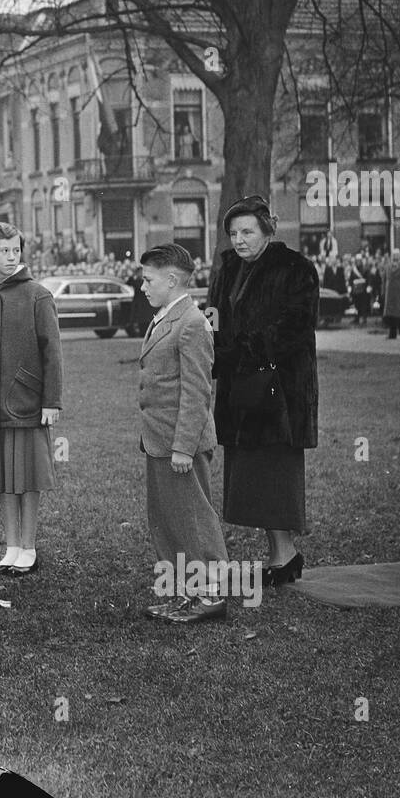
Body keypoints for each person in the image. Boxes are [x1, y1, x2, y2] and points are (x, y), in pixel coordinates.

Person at [207, 195, 319, 588]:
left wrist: (242, 351)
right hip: (242, 391)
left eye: (247, 232)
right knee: (254, 475)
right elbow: (214, 318)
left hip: (280, 393)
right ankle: (280, 555)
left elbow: (295, 327)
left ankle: (284, 555)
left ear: (267, 230)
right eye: (233, 233)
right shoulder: (228, 269)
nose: (239, 240)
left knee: (275, 472)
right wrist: (212, 350)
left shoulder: (295, 269)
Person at [0, 222, 63, 576]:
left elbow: (53, 353)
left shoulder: (38, 295)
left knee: (28, 477)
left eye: (16, 250)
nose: (11, 256)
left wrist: (51, 401)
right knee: (4, 476)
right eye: (4, 250)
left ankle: (29, 547)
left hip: (27, 402)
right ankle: (12, 546)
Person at [137, 244, 229, 624]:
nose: (142, 287)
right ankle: (184, 593)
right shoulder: (166, 316)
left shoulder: (192, 323)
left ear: (172, 280)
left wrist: (184, 448)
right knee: (169, 521)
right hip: (161, 441)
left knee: (193, 520)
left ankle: (211, 596)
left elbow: (197, 392)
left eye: (148, 280)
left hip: (179, 444)